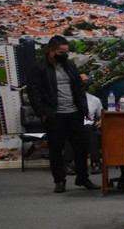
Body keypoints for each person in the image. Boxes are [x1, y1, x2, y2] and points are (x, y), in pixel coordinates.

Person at [25, 35, 97, 193]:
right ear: (51, 51)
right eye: (61, 52)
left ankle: (83, 178)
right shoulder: (39, 68)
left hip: (74, 113)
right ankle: (59, 180)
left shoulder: (70, 65)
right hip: (54, 115)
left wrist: (84, 108)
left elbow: (78, 87)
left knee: (81, 147)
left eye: (66, 52)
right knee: (56, 150)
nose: (65, 55)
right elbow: (34, 93)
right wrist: (42, 114)